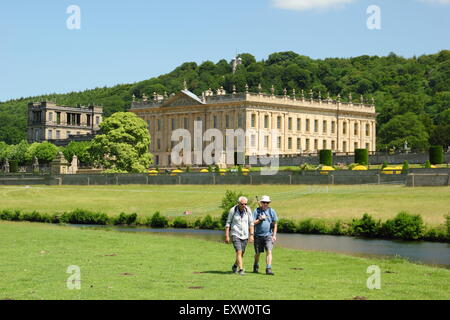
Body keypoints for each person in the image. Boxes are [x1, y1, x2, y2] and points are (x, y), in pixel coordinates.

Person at [225, 196, 254, 276]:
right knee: (239, 251)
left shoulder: (248, 210)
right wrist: (227, 236)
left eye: (245, 204)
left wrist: (251, 235)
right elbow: (228, 223)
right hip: (235, 233)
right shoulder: (233, 210)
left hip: (245, 235)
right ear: (238, 203)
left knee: (242, 253)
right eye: (242, 204)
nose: (244, 205)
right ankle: (241, 269)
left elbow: (251, 223)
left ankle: (235, 266)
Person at [253, 195, 278, 275]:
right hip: (258, 235)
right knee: (258, 253)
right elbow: (252, 223)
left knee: (269, 251)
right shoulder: (256, 211)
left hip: (268, 235)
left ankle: (268, 268)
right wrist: (260, 219)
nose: (265, 204)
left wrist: (274, 235)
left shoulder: (272, 211)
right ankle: (255, 265)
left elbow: (275, 224)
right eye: (263, 202)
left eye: (267, 202)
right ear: (261, 202)